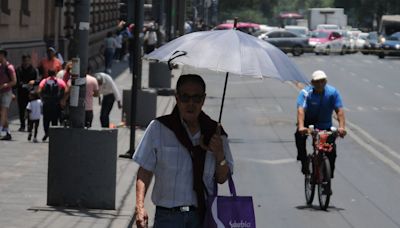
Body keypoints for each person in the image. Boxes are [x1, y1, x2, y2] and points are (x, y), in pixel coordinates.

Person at [132, 74, 234, 228]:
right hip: (168, 217)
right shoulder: (159, 128)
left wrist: (219, 153)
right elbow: (145, 171)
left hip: (202, 217)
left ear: (203, 99)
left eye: (196, 98)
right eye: (185, 98)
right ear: (177, 98)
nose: (191, 104)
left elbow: (222, 178)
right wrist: (139, 207)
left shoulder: (215, 133)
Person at [295, 70, 346, 178]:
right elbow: (301, 110)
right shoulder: (306, 93)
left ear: (326, 81)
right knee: (299, 136)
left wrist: (341, 127)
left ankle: (328, 178)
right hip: (308, 123)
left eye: (322, 81)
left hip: (325, 124)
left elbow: (339, 111)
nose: (320, 84)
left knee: (332, 152)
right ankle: (304, 161)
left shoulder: (333, 93)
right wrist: (301, 126)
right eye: (317, 82)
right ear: (312, 83)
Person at [38, 70, 67, 141]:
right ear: (55, 74)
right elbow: (65, 89)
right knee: (55, 120)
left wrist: (42, 98)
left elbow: (39, 90)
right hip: (55, 103)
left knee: (46, 120)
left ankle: (46, 132)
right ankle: (54, 135)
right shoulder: (59, 81)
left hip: (47, 103)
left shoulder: (44, 81)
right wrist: (61, 98)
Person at [16, 54, 39, 131]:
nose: (26, 62)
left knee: (30, 110)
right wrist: (25, 85)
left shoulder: (33, 70)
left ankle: (30, 125)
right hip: (21, 92)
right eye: (24, 61)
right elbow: (18, 82)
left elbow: (37, 81)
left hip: (30, 94)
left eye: (27, 60)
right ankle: (22, 125)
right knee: (22, 109)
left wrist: (34, 82)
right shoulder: (19, 70)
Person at [0, 48, 17, 140]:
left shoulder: (9, 67)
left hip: (7, 92)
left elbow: (14, 81)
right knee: (3, 114)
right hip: (0, 91)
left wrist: (5, 85)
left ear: (3, 55)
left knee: (3, 111)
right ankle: (7, 133)